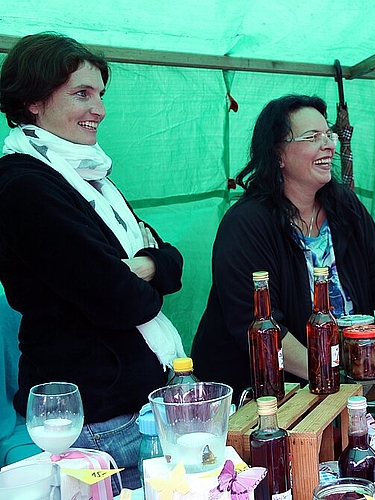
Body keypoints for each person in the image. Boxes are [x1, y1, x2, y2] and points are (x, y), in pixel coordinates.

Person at [0, 33, 185, 490]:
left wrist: (143, 266)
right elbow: (121, 301)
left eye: (100, 95)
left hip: (132, 409)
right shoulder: (25, 186)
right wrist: (145, 270)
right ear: (33, 101)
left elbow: (173, 261)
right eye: (82, 94)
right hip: (96, 422)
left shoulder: (90, 176)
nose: (99, 109)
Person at [191, 94, 375, 399]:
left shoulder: (343, 205)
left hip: (345, 381)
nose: (329, 145)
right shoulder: (246, 224)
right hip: (269, 396)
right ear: (278, 154)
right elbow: (261, 328)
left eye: (329, 135)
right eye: (313, 137)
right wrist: (332, 372)